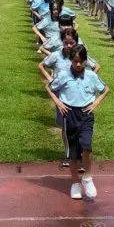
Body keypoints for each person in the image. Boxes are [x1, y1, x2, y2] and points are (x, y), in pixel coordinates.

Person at [47, 45, 108, 200]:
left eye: (81, 61)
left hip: (86, 114)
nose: (78, 64)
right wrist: (58, 103)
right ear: (71, 61)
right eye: (75, 62)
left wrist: (96, 103)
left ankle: (87, 178)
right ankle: (75, 181)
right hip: (69, 114)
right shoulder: (63, 75)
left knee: (86, 145)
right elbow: (49, 87)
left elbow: (105, 89)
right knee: (73, 151)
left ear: (85, 61)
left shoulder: (91, 76)